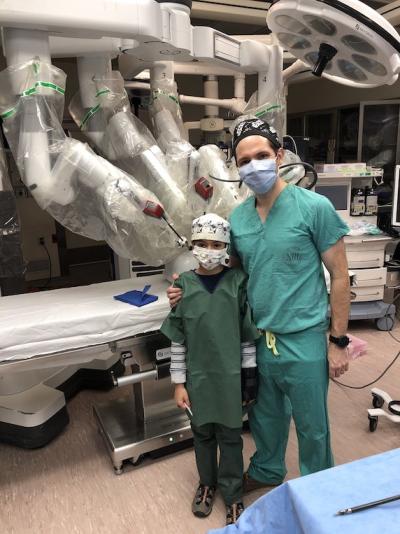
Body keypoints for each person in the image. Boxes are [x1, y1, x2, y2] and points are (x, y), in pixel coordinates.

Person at [167, 118, 351, 493]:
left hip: (304, 339)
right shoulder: (239, 219)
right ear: (236, 167)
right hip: (258, 337)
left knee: (312, 423)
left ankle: (319, 487)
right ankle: (267, 470)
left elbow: (341, 276)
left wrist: (339, 341)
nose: (254, 165)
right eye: (244, 160)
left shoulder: (313, 208)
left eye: (262, 155)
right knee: (265, 416)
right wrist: (186, 288)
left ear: (279, 155)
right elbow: (227, 272)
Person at [160, 213, 259, 525]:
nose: (209, 249)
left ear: (226, 247)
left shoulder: (238, 284)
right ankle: (207, 483)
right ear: (193, 245)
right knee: (202, 435)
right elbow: (178, 340)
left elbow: (246, 338)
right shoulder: (184, 286)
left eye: (216, 244)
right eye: (202, 243)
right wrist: (178, 383)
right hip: (197, 379)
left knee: (231, 438)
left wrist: (249, 379)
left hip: (230, 380)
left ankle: (232, 493)